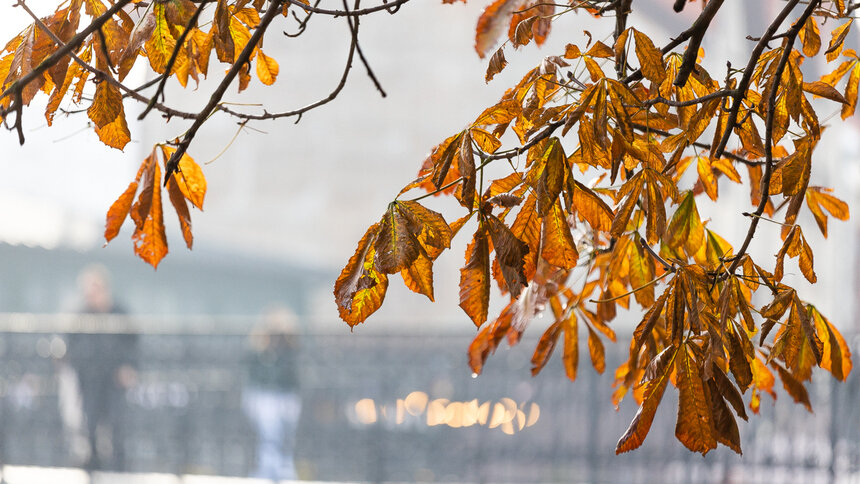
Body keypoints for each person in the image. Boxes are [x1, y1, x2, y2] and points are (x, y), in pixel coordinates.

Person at [62, 264, 138, 472]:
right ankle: (93, 469)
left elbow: (133, 344)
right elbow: (70, 345)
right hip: (89, 380)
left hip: (114, 380)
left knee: (117, 425)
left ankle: (119, 470)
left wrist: (128, 368)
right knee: (90, 425)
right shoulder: (80, 315)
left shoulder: (120, 313)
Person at [242, 306, 302, 480]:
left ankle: (284, 466)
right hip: (263, 395)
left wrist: (284, 343)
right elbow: (253, 374)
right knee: (270, 428)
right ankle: (267, 467)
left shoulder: (291, 347)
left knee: (286, 432)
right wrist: (266, 350)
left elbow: (293, 374)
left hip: (287, 394)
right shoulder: (258, 347)